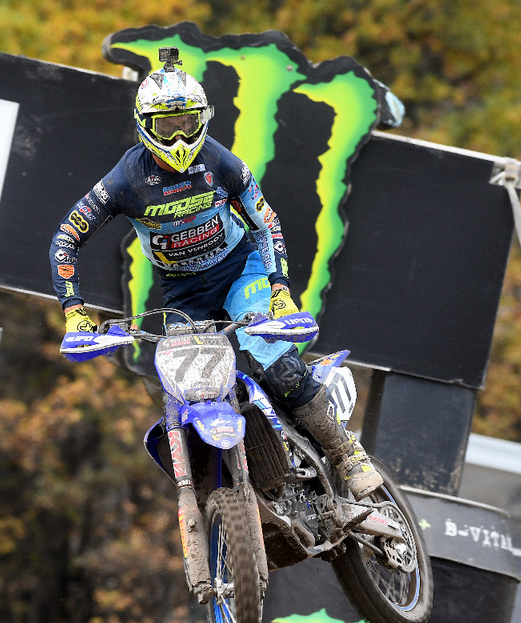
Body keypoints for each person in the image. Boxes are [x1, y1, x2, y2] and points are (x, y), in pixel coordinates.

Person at [49, 47, 383, 500]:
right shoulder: (125, 179)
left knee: (277, 365)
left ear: (203, 119)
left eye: (187, 122)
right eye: (166, 126)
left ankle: (345, 452)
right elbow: (67, 236)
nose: (179, 136)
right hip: (183, 294)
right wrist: (74, 313)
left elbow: (266, 222)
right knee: (186, 390)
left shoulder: (222, 162)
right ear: (145, 125)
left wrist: (280, 291)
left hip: (239, 270)